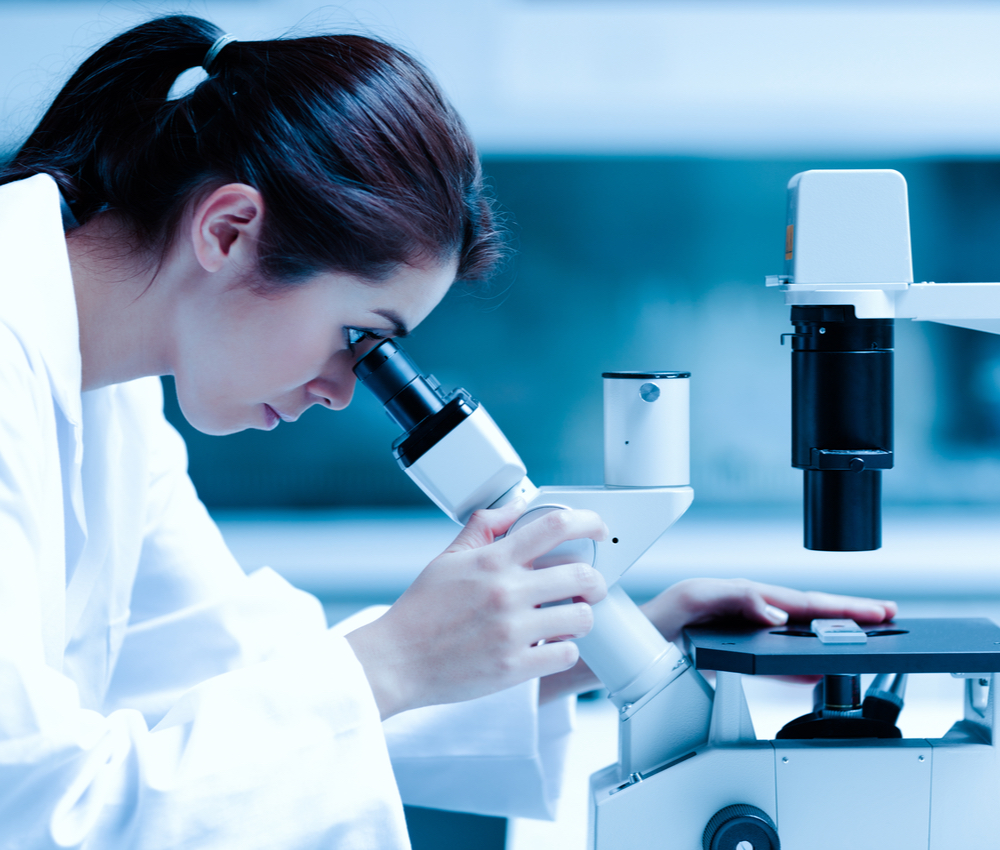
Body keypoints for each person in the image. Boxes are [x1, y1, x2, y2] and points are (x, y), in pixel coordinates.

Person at [0, 15, 897, 849]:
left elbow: (237, 682)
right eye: (362, 339)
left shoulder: (107, 400)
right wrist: (397, 655)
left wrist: (620, 642)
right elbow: (41, 811)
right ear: (230, 231)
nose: (346, 392)